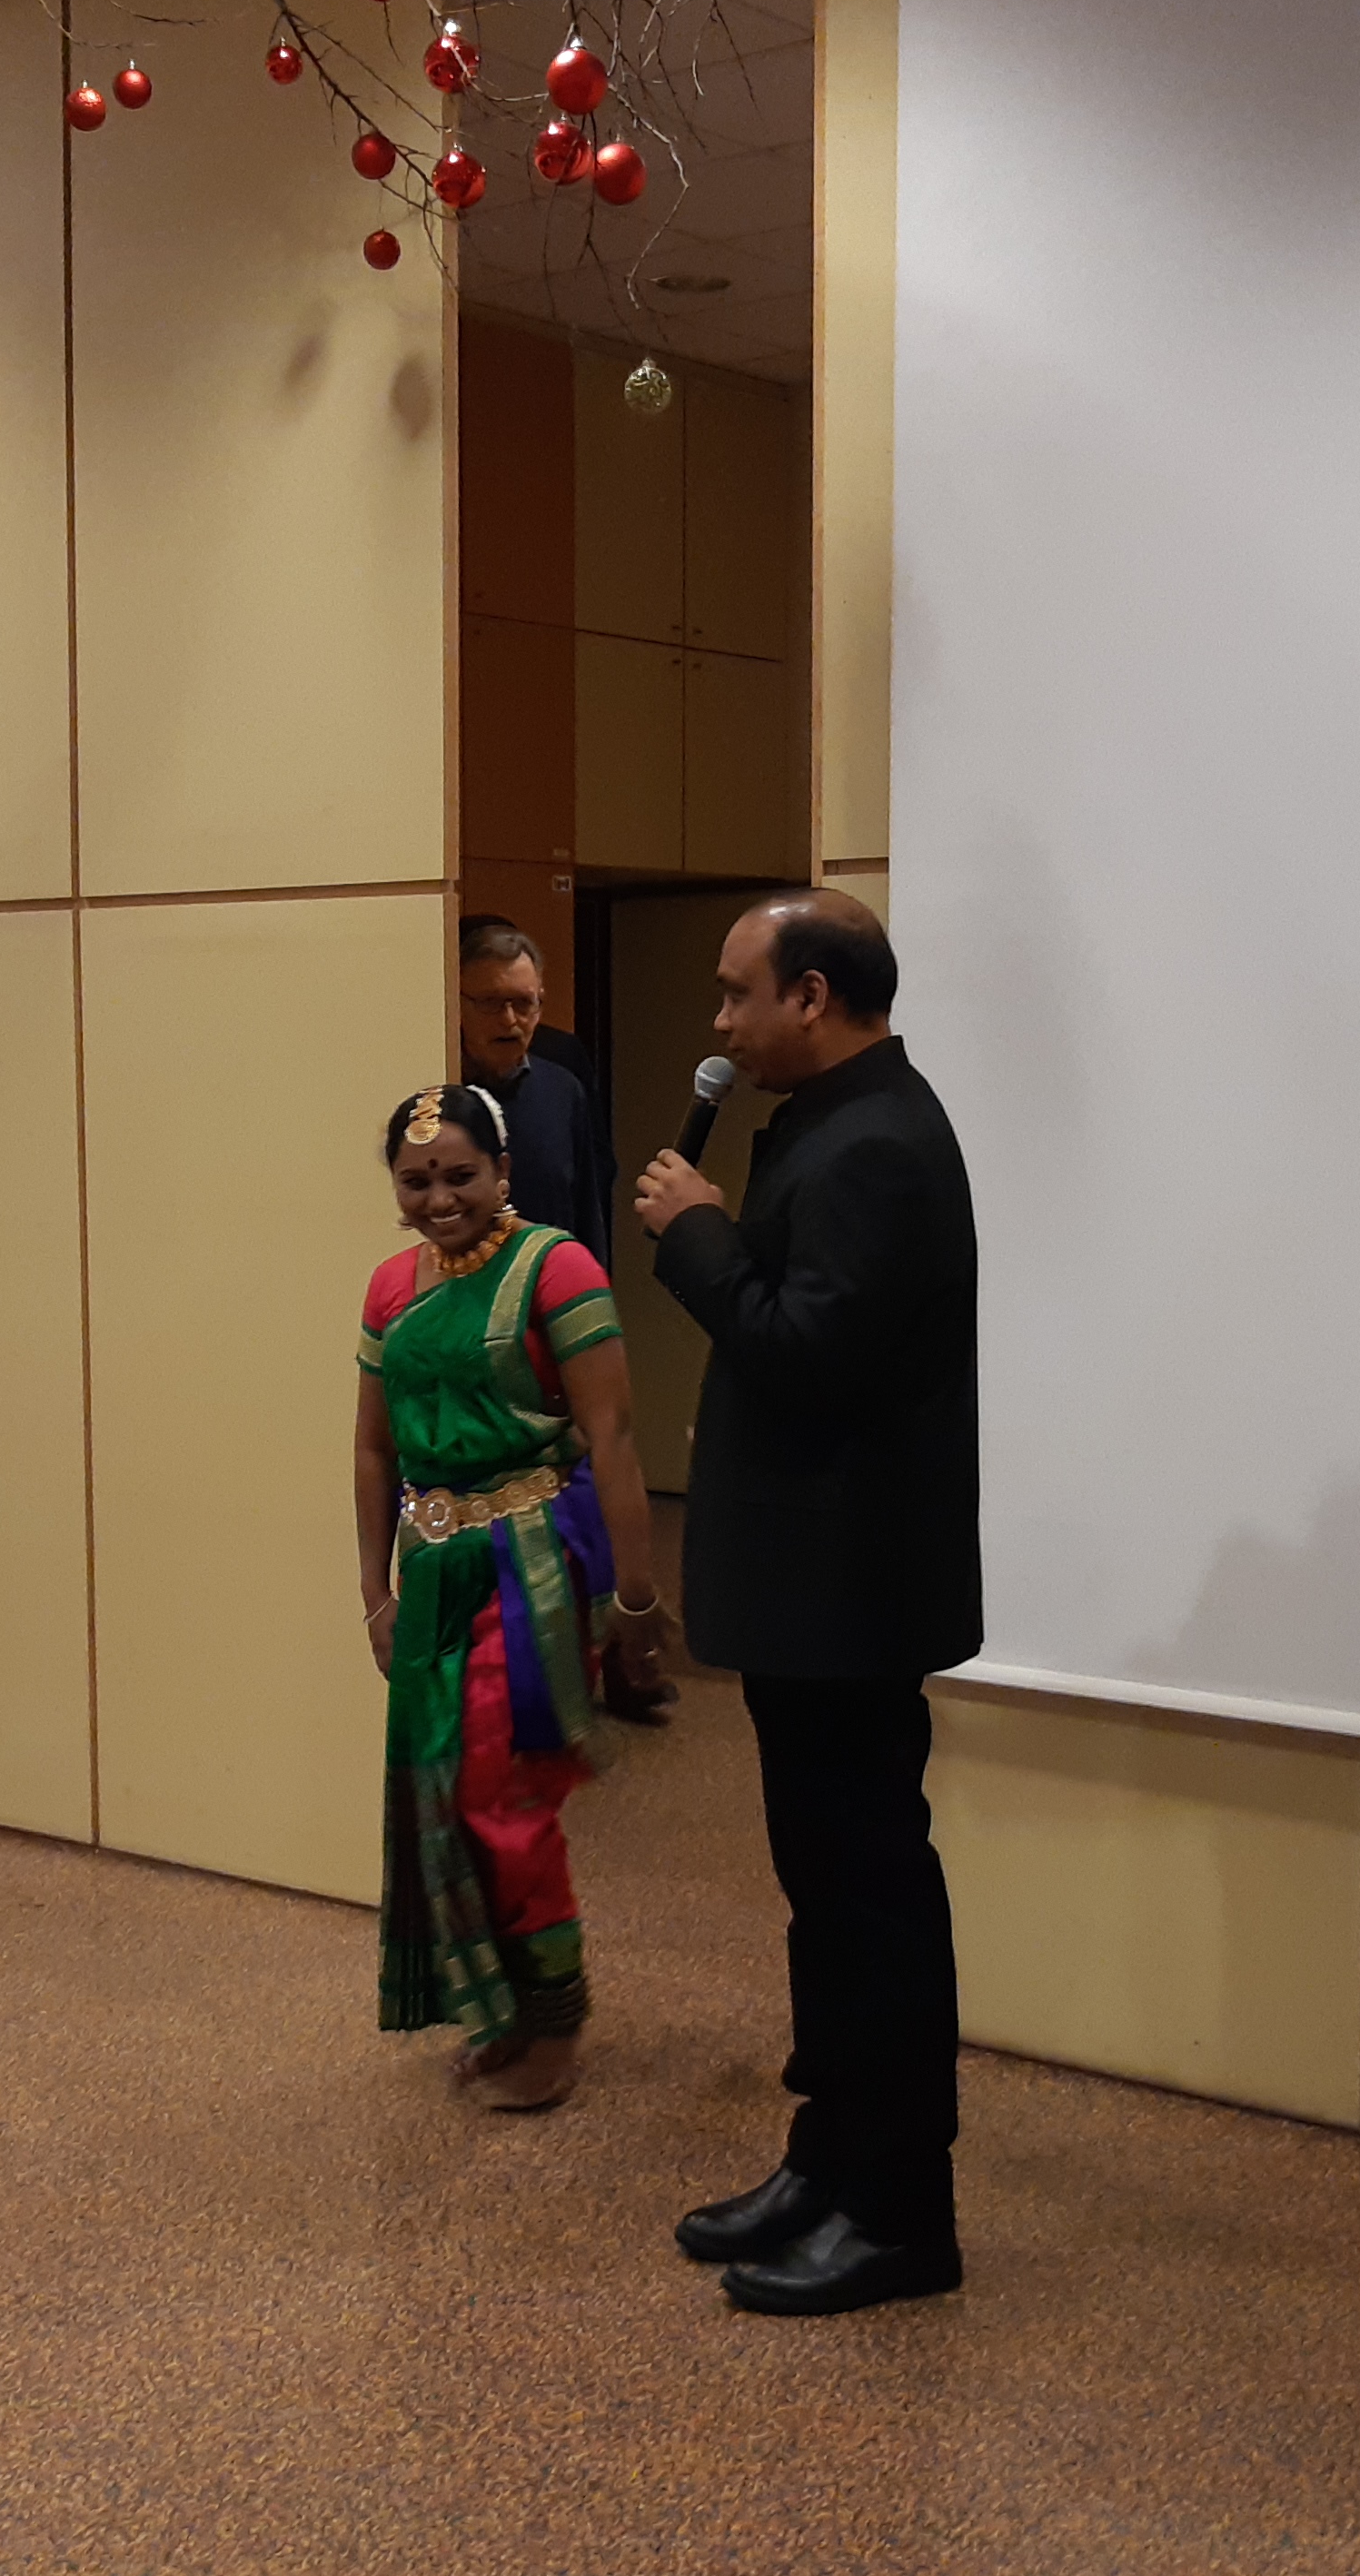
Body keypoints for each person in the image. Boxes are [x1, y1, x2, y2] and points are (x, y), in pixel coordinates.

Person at [633, 891, 981, 2316]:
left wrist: (699, 1237)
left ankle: (900, 2214)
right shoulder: (832, 1125)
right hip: (813, 1596)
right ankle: (829, 2160)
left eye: (738, 994)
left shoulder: (879, 1143)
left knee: (868, 1899)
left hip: (851, 1598)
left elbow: (808, 1351)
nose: (721, 1023)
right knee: (825, 1896)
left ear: (814, 997)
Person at [355, 1081, 668, 2112]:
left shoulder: (555, 1266)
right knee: (441, 1789)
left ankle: (554, 2022)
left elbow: (612, 1437)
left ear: (503, 1171)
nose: (439, 1198)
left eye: (460, 1175)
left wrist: (634, 1599)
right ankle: (496, 2008)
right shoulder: (390, 1288)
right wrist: (374, 1590)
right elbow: (373, 1448)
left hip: (530, 1564)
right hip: (432, 1569)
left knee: (505, 1793)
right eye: (416, 1181)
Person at [457, 915, 613, 1264]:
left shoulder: (563, 1090)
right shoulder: (439, 1092)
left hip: (549, 1284)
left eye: (523, 1003)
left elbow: (588, 1214)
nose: (509, 1020)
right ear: (458, 1004)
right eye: (491, 1003)